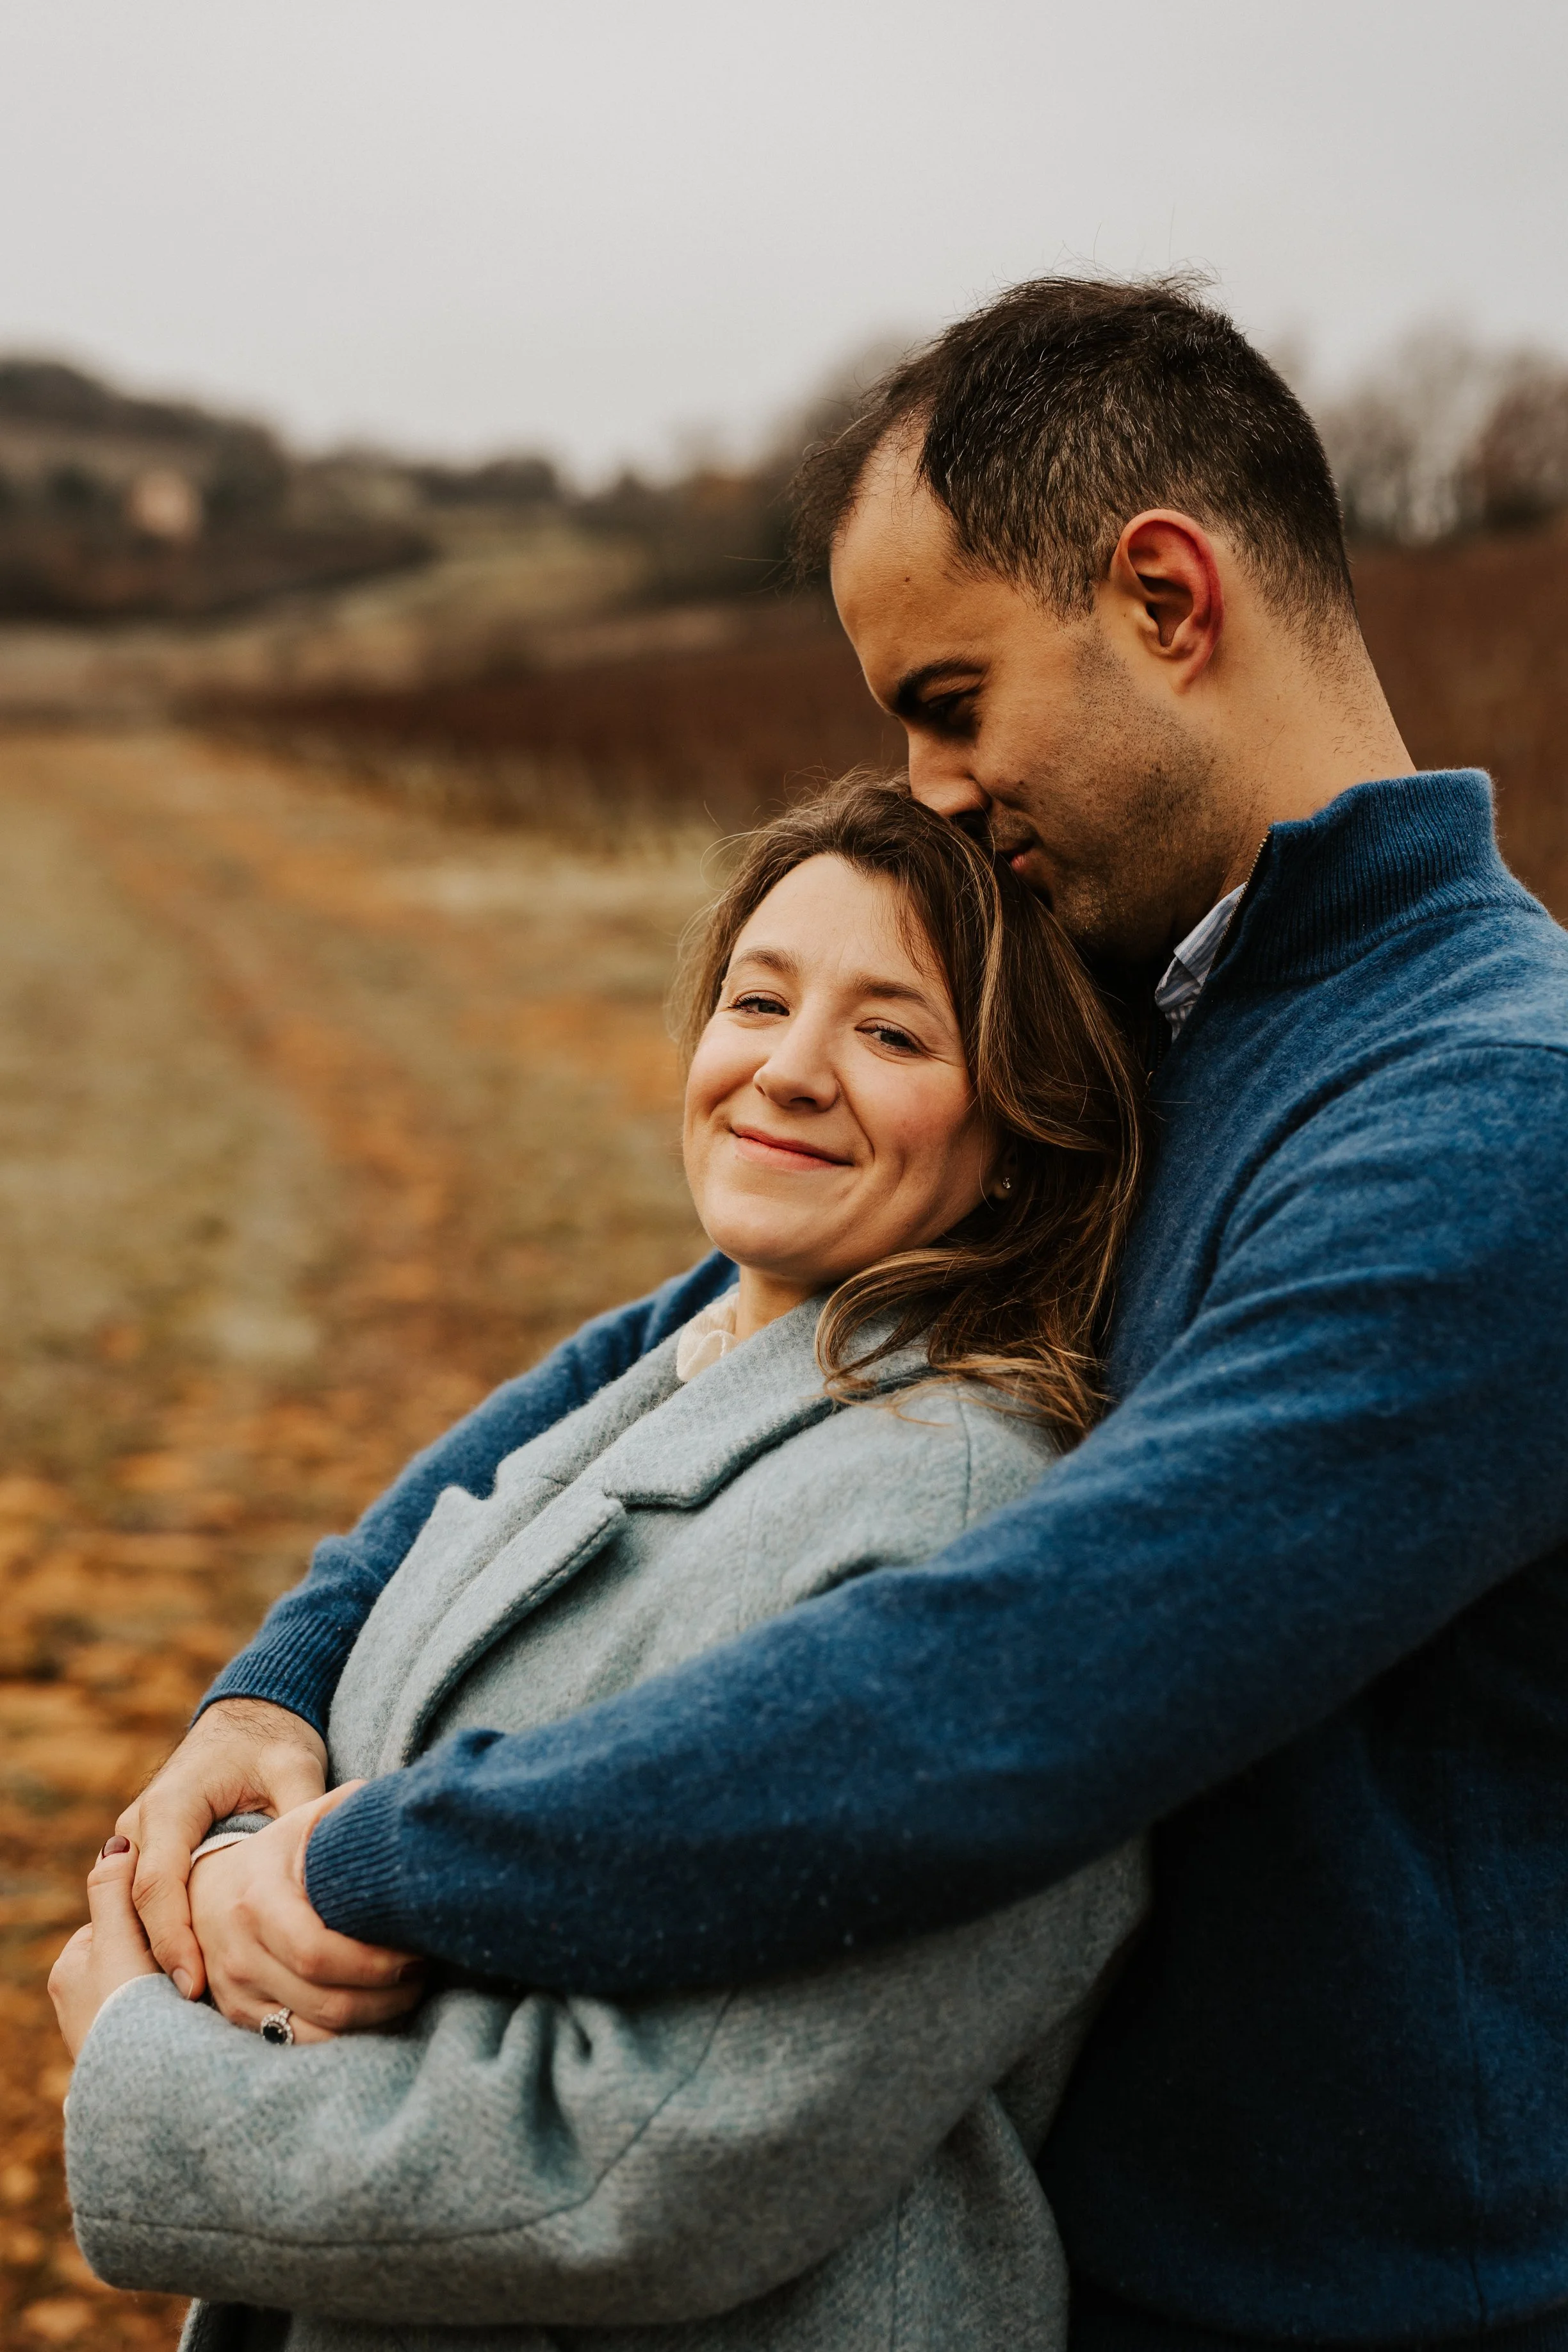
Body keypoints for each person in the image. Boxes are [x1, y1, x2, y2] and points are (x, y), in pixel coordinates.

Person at [111, 277, 1568, 2349]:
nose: (926, 786)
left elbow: (1026, 1679)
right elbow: (676, 1328)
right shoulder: (1162, 1009)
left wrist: (369, 1867)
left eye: (947, 699)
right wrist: (289, 1668)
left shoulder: (1497, 1113)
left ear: (1164, 597)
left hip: (1344, 2306)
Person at [53, 779, 1151, 2350]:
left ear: (1025, 1127)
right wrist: (251, 1838)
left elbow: (655, 2158)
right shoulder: (705, 1362)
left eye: (894, 1035)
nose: (787, 1068)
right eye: (758, 999)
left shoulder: (959, 1523)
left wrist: (163, 2077)